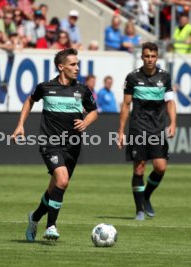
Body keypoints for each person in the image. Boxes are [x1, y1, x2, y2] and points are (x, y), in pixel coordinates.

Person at [11, 48, 98, 241]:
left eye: (78, 64)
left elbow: (93, 112)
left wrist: (86, 122)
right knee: (62, 180)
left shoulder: (82, 90)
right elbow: (29, 101)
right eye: (73, 64)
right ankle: (51, 226)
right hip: (50, 142)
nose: (77, 68)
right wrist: (20, 125)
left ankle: (34, 217)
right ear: (61, 67)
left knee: (56, 187)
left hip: (73, 145)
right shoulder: (45, 87)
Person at [118, 42, 176, 221]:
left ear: (157, 57)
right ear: (141, 57)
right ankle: (139, 210)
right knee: (140, 168)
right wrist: (121, 131)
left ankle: (146, 196)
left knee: (160, 167)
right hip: (138, 129)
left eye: (153, 56)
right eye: (146, 56)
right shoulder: (133, 77)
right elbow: (126, 105)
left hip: (157, 129)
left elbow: (170, 102)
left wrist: (173, 122)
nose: (149, 59)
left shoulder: (164, 77)